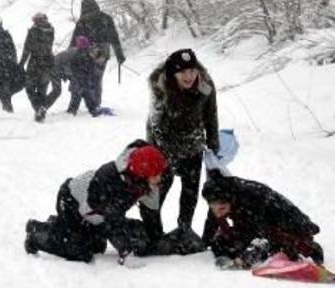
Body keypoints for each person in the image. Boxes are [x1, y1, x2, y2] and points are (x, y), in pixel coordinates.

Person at [24, 140, 167, 265]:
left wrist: (157, 238)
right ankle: (36, 234)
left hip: (97, 213)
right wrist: (126, 253)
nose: (160, 178)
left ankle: (59, 227)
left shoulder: (143, 180)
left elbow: (151, 211)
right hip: (71, 203)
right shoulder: (110, 182)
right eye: (156, 175)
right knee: (82, 251)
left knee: (99, 245)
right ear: (142, 174)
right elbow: (113, 223)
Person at [141, 48, 219, 241]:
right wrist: (155, 156)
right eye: (183, 72)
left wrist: (213, 142)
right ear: (173, 74)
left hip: (193, 144)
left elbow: (211, 114)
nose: (189, 76)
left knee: (190, 192)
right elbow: (154, 125)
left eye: (192, 70)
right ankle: (154, 234)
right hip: (164, 149)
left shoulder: (205, 85)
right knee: (156, 194)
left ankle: (184, 228)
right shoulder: (162, 88)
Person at [202, 171, 324, 268]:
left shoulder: (252, 197)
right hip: (254, 226)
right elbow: (213, 222)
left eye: (222, 209)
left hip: (287, 227)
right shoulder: (219, 195)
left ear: (231, 201)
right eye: (213, 208)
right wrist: (206, 243)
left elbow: (258, 234)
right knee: (220, 243)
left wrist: (245, 259)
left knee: (264, 250)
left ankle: (309, 248)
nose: (218, 213)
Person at [69, 0, 125, 106]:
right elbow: (114, 37)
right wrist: (119, 54)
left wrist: (70, 53)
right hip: (102, 51)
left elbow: (74, 40)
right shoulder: (106, 18)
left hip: (87, 51)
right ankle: (96, 102)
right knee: (97, 77)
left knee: (88, 76)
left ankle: (88, 102)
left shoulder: (82, 20)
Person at [20, 12, 61, 122]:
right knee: (42, 89)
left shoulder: (33, 31)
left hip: (35, 63)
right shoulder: (51, 30)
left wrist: (21, 64)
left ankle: (39, 109)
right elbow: (46, 46)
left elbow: (27, 49)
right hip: (48, 63)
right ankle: (41, 111)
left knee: (29, 88)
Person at [65, 36, 109, 117]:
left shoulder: (77, 54)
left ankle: (74, 110)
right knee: (84, 97)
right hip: (82, 81)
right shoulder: (86, 54)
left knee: (79, 98)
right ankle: (91, 109)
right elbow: (91, 67)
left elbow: (73, 67)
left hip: (79, 81)